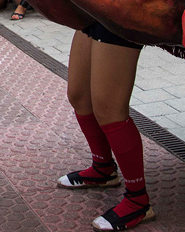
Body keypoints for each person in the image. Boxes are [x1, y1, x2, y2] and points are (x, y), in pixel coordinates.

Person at [57, 20, 154, 232]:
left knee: (109, 110)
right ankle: (104, 169)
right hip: (91, 7)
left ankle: (138, 201)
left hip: (121, 7)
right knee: (80, 96)